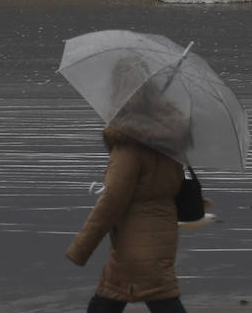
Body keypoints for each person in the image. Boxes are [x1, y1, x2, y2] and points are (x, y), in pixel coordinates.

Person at [66, 66, 192, 313]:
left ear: (120, 94)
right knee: (117, 298)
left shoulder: (129, 145)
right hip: (161, 234)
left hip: (135, 241)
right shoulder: (169, 141)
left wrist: (81, 247)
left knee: (155, 299)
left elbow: (112, 202)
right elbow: (169, 184)